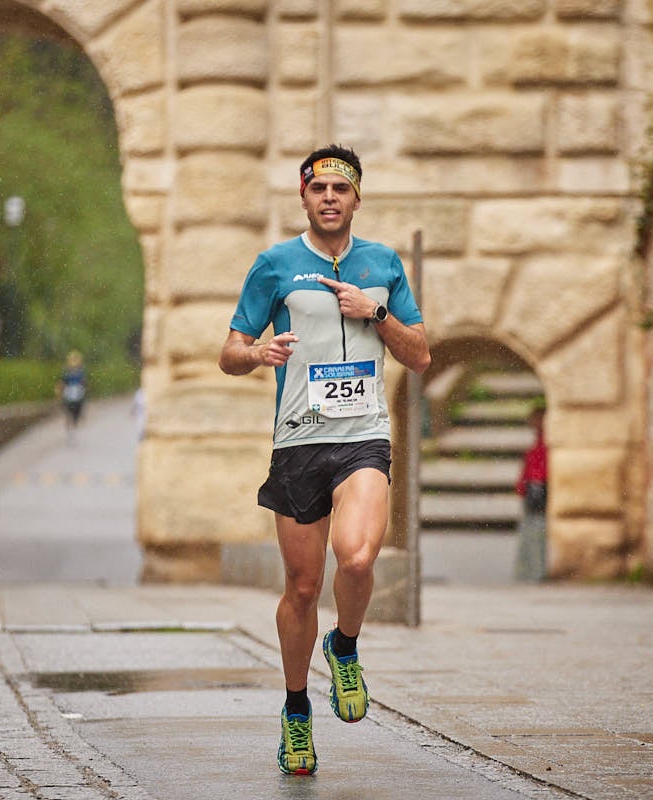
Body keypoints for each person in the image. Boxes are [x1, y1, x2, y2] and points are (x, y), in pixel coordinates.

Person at [218, 144, 430, 776]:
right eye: (319, 189)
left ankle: (346, 646)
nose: (330, 198)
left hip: (363, 436)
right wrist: (257, 355)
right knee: (303, 587)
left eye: (341, 189)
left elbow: (420, 354)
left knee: (360, 556)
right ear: (304, 197)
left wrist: (378, 311)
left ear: (356, 198)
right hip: (298, 442)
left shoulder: (383, 263)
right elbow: (229, 351)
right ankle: (295, 712)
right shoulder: (275, 265)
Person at [514, 404, 548, 582]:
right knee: (533, 531)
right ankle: (533, 572)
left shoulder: (544, 444)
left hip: (538, 490)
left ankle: (537, 572)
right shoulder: (539, 443)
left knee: (536, 531)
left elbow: (538, 468)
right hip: (534, 489)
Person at [57, 350, 87, 444]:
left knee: (75, 415)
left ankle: (72, 431)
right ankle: (70, 432)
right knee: (69, 414)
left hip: (78, 396)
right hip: (69, 396)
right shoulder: (67, 373)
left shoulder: (80, 372)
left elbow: (84, 384)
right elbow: (62, 384)